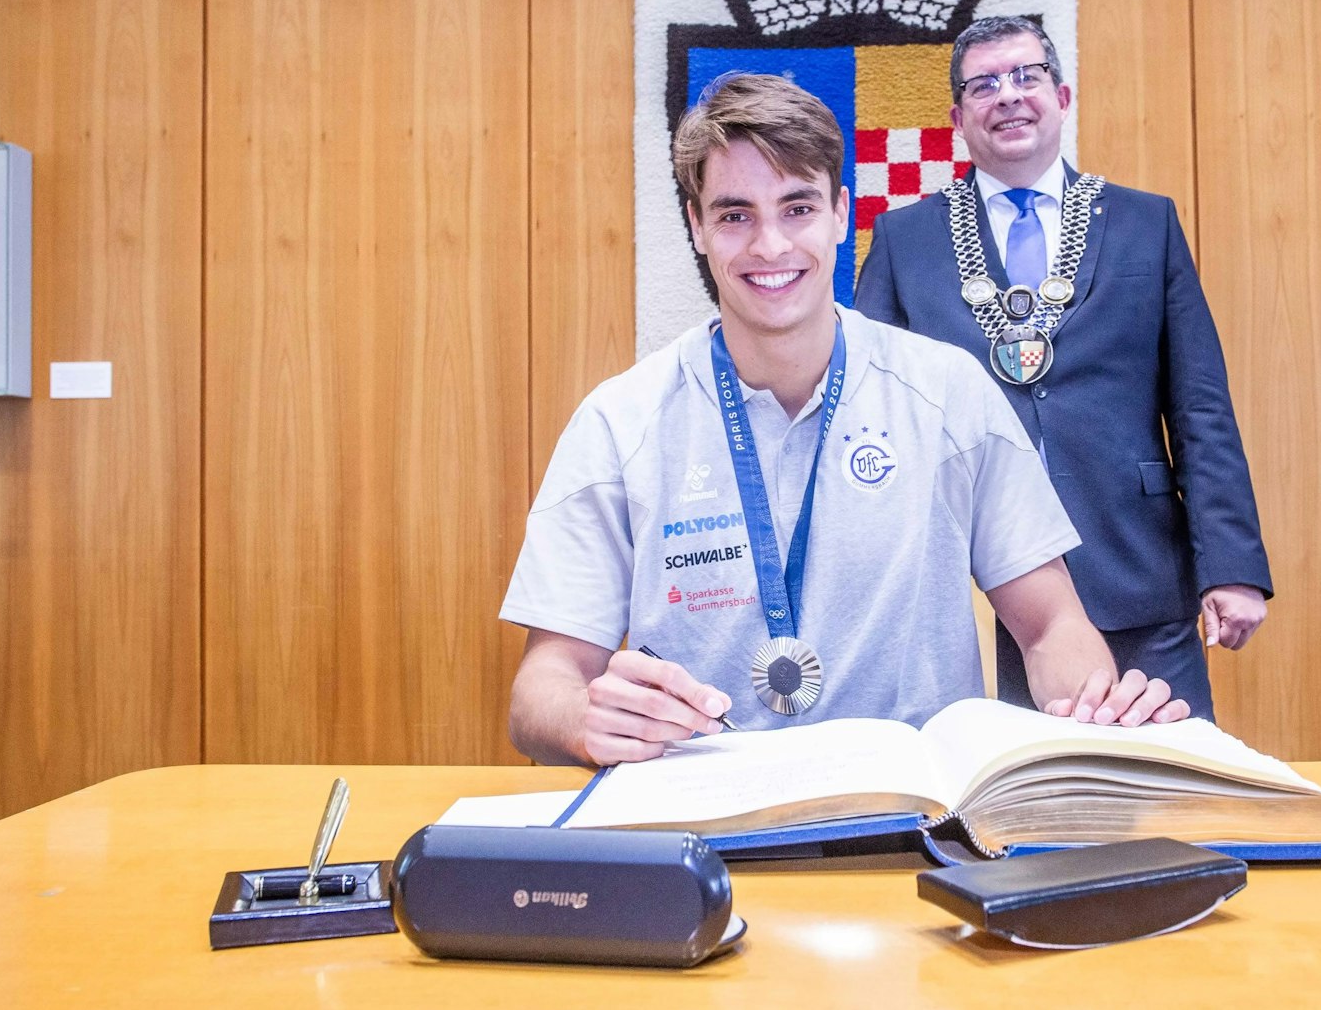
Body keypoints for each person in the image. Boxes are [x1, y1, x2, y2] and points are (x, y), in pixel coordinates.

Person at [502, 73, 1191, 766]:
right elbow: (543, 684)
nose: (770, 246)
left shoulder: (949, 393)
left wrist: (1093, 703)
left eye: (796, 208)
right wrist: (586, 717)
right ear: (696, 226)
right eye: (735, 214)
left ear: (839, 212)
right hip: (704, 833)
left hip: (921, 833)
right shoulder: (620, 423)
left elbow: (1050, 626)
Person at [855, 17, 1272, 722]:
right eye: (983, 85)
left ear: (1063, 94)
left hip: (1132, 569)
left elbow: (1199, 405)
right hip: (964, 585)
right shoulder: (905, 239)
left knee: (1161, 799)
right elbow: (868, 415)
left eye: (1026, 76)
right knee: (1005, 815)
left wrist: (1231, 565)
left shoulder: (1148, 222)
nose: (1008, 96)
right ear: (959, 118)